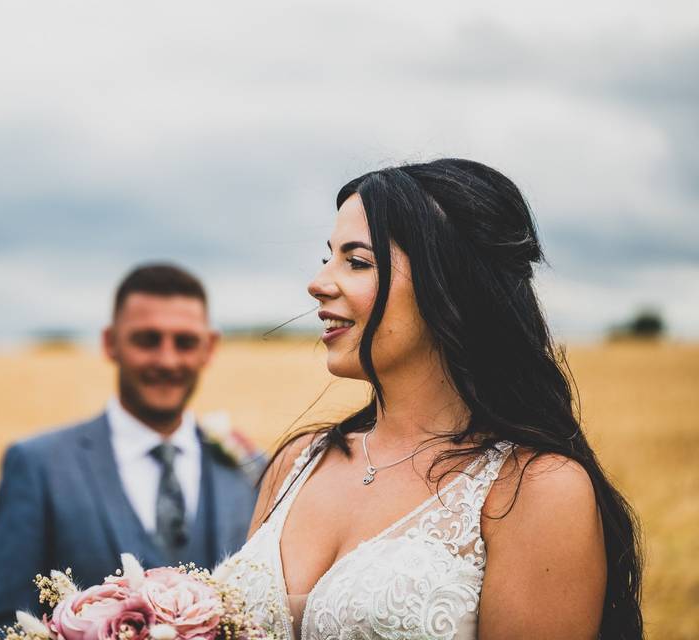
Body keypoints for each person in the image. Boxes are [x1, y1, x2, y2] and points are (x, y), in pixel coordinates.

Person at [218, 159, 642, 640]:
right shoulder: (298, 460)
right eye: (327, 258)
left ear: (451, 284)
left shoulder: (534, 487)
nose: (318, 283)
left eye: (357, 261)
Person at [0, 263, 262, 640]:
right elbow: (1, 626)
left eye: (185, 342)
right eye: (147, 339)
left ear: (210, 348)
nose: (167, 360)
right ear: (111, 342)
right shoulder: (37, 465)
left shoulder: (254, 468)